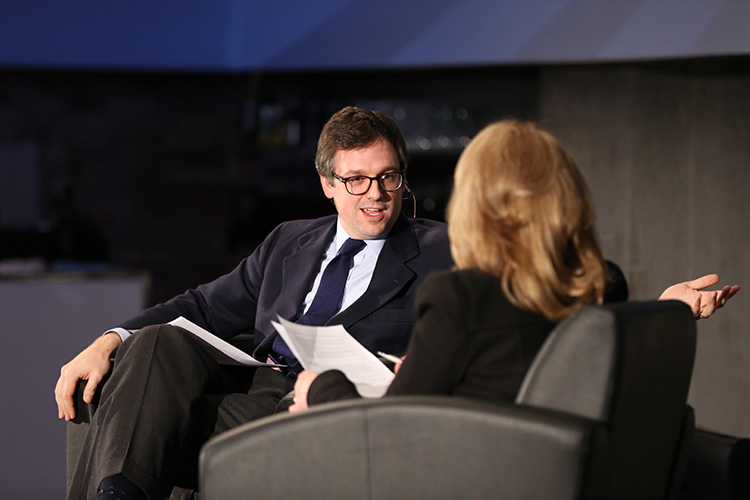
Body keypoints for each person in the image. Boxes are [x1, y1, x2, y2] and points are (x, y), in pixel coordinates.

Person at [56, 106, 454, 500]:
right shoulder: (289, 240)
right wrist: (107, 341)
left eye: (388, 176)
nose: (376, 193)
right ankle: (120, 494)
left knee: (135, 423)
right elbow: (203, 307)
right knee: (153, 342)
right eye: (357, 180)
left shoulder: (444, 251)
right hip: (259, 388)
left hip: (330, 403)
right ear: (327, 184)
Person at [289, 119, 740, 412]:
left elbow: (398, 425)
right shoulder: (600, 284)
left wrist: (323, 390)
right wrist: (666, 309)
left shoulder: (459, 297)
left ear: (478, 202)